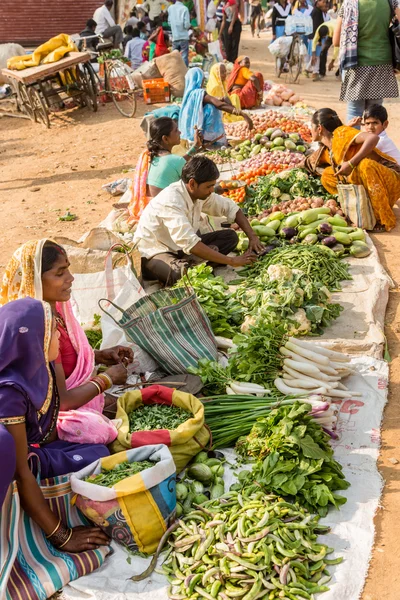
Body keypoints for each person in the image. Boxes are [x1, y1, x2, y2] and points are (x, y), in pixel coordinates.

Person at [0, 297, 111, 556]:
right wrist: (62, 535)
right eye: (52, 333)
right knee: (95, 464)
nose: (59, 341)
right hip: (16, 467)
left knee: (100, 454)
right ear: (33, 340)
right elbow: (21, 473)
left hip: (29, 450)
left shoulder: (35, 366)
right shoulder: (8, 394)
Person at [0, 239, 133, 444]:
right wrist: (107, 379)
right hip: (50, 416)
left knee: (133, 403)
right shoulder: (35, 328)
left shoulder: (60, 313)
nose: (71, 278)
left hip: (72, 399)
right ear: (34, 279)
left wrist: (100, 355)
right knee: (97, 428)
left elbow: (64, 356)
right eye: (60, 273)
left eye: (68, 270)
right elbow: (61, 402)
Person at [133, 156, 263, 284]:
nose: (212, 190)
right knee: (180, 274)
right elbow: (190, 242)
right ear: (192, 184)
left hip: (181, 248)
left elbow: (231, 208)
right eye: (209, 186)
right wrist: (232, 261)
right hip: (158, 251)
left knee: (230, 237)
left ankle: (195, 260)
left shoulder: (199, 194)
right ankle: (194, 262)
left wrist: (252, 237)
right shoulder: (171, 201)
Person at [308, 108, 400, 231]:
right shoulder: (327, 146)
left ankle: (382, 219)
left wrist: (351, 163)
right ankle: (359, 208)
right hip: (371, 180)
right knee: (328, 175)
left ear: (319, 129)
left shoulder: (341, 133)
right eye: (368, 123)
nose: (309, 130)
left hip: (390, 180)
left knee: (365, 165)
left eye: (311, 127)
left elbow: (373, 138)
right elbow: (310, 161)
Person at [334, 0, 400, 122]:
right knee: (375, 111)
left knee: (354, 111)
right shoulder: (390, 2)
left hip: (354, 63)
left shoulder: (349, 4)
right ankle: (374, 141)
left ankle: (356, 141)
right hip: (381, 61)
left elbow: (336, 41)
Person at [128, 117, 203, 222]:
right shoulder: (175, 161)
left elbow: (176, 162)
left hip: (152, 210)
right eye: (176, 130)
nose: (180, 132)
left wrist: (195, 147)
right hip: (166, 213)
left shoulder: (152, 156)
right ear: (165, 139)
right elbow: (195, 187)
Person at [178, 67, 254, 146]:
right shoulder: (199, 93)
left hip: (189, 136)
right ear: (198, 79)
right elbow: (219, 105)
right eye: (203, 78)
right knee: (211, 108)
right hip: (199, 136)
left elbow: (212, 100)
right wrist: (243, 114)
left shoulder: (189, 94)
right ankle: (209, 140)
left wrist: (221, 99)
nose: (203, 81)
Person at [168, 0, 191, 66]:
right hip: (183, 37)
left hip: (175, 37)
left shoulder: (170, 8)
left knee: (174, 58)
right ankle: (184, 74)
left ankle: (176, 72)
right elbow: (186, 25)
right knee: (184, 57)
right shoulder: (185, 9)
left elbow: (169, 23)